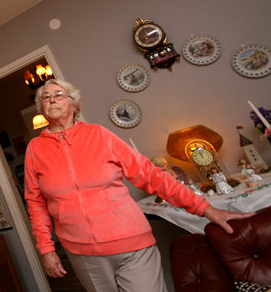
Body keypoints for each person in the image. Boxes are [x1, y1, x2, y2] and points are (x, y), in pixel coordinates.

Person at [24, 79, 254, 292]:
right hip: (82, 253)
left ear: (74, 105)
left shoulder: (99, 135)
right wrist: (46, 249)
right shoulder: (35, 149)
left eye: (58, 94)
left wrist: (206, 209)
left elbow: (150, 175)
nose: (51, 99)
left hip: (131, 245)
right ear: (41, 107)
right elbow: (35, 202)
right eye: (46, 97)